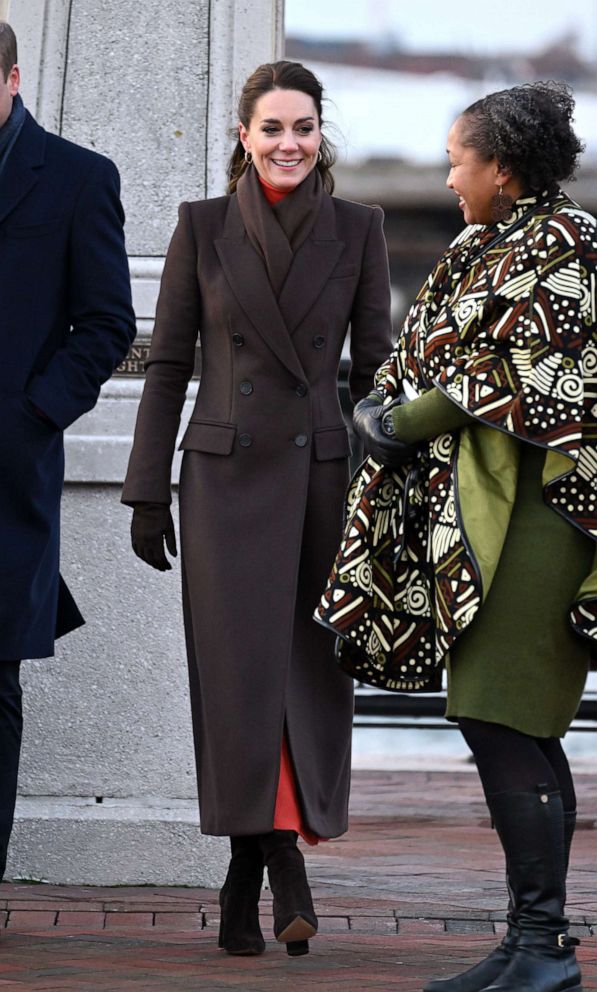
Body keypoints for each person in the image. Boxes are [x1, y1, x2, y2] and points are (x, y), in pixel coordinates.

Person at [317, 81, 596, 992]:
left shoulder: (567, 242)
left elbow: (528, 371)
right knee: (507, 719)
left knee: (501, 710)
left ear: (503, 169)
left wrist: (402, 420)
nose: (447, 177)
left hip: (545, 513)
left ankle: (544, 947)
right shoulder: (487, 242)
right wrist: (383, 403)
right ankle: (531, 945)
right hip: (487, 512)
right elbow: (428, 353)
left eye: (457, 160)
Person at [121, 60, 392, 957]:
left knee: (307, 669)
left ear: (322, 136)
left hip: (318, 477)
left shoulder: (360, 229)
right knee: (239, 677)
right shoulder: (201, 227)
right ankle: (278, 856)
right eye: (272, 128)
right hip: (223, 481)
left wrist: (383, 490)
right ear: (243, 136)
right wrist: (146, 490)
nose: (288, 144)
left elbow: (375, 377)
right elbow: (167, 367)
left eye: (304, 129)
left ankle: (253, 867)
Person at [0, 21, 136, 886]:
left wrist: (31, 414)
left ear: (10, 79)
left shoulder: (81, 177)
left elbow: (109, 325)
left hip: (7, 476)